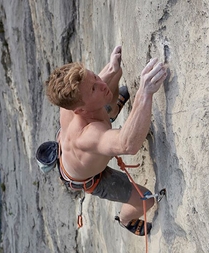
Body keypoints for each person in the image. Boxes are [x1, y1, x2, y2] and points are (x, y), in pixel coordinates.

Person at [44, 46, 168, 236]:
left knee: (108, 91)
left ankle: (111, 110)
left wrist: (112, 67)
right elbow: (128, 145)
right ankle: (125, 220)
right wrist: (145, 93)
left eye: (93, 75)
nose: (101, 84)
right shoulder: (89, 135)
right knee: (146, 200)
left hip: (78, 152)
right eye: (94, 88)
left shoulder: (74, 100)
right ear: (79, 111)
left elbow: (94, 84)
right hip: (92, 178)